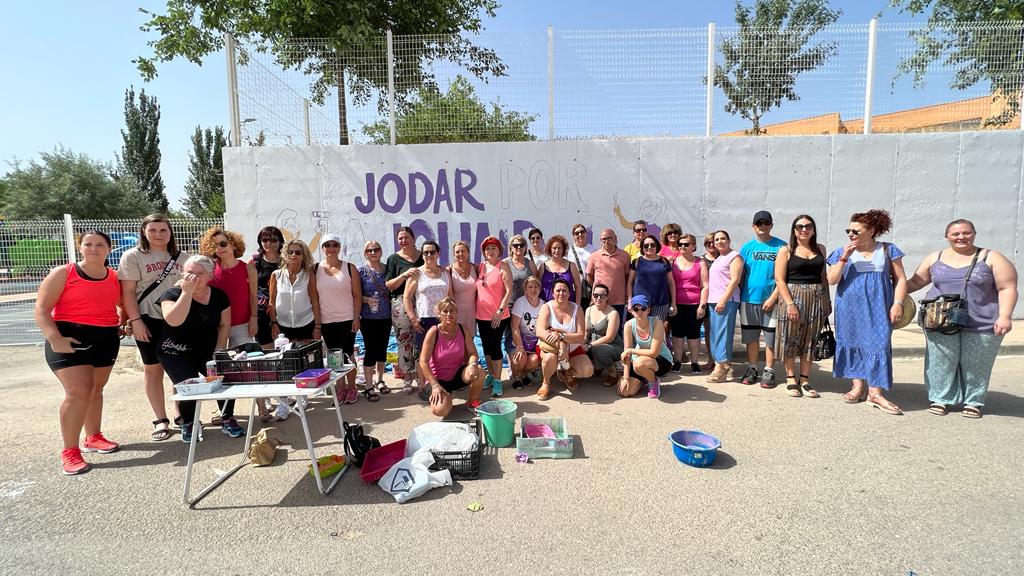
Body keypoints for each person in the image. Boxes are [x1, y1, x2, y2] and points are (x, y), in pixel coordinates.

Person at [906, 219, 1018, 418]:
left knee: (976, 364)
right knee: (940, 362)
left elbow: (1007, 288)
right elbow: (916, 281)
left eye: (966, 233)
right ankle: (940, 398)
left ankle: (973, 401)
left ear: (974, 234)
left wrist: (1005, 316)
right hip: (940, 320)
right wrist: (891, 293)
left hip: (982, 321)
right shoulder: (935, 257)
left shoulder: (991, 257)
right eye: (956, 234)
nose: (961, 237)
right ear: (947, 236)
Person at [36, 231, 123, 475]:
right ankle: (70, 451)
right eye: (88, 244)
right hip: (69, 338)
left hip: (106, 338)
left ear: (109, 249)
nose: (94, 248)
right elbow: (42, 309)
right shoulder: (64, 273)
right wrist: (55, 338)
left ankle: (93, 437)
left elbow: (122, 304)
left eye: (100, 245)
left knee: (96, 389)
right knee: (79, 392)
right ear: (80, 247)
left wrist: (124, 322)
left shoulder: (114, 276)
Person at [826, 209, 907, 415]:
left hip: (879, 307)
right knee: (853, 342)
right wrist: (844, 257)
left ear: (872, 231)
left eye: (856, 231)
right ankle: (858, 387)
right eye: (849, 230)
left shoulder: (888, 250)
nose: (851, 234)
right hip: (849, 308)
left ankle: (875, 393)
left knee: (878, 345)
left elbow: (901, 279)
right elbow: (832, 279)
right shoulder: (841, 251)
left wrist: (898, 303)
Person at [118, 214, 188, 441]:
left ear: (170, 233)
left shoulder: (182, 257)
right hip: (148, 319)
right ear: (144, 233)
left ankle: (181, 412)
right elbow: (128, 293)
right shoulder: (133, 257)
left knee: (180, 370)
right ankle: (161, 419)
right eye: (153, 230)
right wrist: (135, 321)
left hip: (178, 320)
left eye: (163, 230)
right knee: (153, 369)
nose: (158, 235)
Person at [157, 255, 233, 442]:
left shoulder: (219, 295)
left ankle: (227, 418)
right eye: (190, 273)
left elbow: (224, 325)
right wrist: (186, 293)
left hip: (207, 349)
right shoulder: (171, 294)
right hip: (175, 350)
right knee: (187, 385)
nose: (194, 277)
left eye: (200, 273)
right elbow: (174, 320)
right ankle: (189, 422)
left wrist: (219, 350)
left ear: (209, 276)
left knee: (226, 377)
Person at [201, 227, 266, 422]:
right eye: (215, 245)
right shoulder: (210, 269)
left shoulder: (247, 268)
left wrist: (254, 317)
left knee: (250, 367)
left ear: (232, 244)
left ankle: (262, 407)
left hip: (242, 324)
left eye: (223, 243)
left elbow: (254, 296)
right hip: (217, 327)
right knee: (219, 369)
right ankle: (224, 410)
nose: (219, 248)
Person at [773, 215, 830, 398]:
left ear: (813, 229)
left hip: (816, 298)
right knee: (790, 337)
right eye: (799, 226)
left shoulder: (820, 249)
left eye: (808, 226)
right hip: (792, 297)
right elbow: (780, 279)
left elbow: (823, 277)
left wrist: (827, 300)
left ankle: (804, 379)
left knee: (810, 339)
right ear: (794, 230)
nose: (803, 229)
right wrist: (790, 304)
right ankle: (791, 378)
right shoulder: (786, 250)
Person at [268, 239, 322, 416]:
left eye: (298, 252)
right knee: (284, 364)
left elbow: (314, 301)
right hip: (283, 326)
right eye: (290, 252)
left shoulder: (308, 275)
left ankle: (303, 398)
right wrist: (273, 323)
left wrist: (317, 326)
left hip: (305, 322)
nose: (294, 255)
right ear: (285, 253)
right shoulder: (276, 275)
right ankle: (284, 402)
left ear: (303, 255)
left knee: (303, 362)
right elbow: (272, 302)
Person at [738, 210, 786, 388]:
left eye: (767, 223)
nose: (763, 227)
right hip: (748, 299)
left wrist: (774, 297)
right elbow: (740, 275)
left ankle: (769, 370)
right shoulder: (747, 247)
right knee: (751, 337)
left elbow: (785, 276)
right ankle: (752, 368)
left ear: (771, 225)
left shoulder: (781, 247)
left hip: (772, 300)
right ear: (753, 226)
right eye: (759, 224)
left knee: (770, 338)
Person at [420, 298, 485, 417]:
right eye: (445, 311)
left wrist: (472, 364)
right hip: (437, 380)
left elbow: (473, 353)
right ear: (439, 314)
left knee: (480, 372)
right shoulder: (433, 332)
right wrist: (434, 386)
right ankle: (445, 398)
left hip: (456, 375)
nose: (449, 314)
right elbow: (423, 362)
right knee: (441, 410)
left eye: (452, 311)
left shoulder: (463, 329)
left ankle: (472, 402)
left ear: (457, 312)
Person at [317, 234, 362, 404]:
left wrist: (356, 317)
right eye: (327, 245)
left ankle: (352, 387)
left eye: (334, 244)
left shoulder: (350, 268)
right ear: (322, 248)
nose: (331, 248)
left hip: (347, 319)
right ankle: (340, 388)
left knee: (348, 355)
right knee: (334, 357)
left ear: (339, 247)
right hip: (326, 321)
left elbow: (357, 295)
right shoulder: (315, 269)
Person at [405, 240, 451, 400]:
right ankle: (422, 387)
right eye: (426, 252)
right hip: (424, 321)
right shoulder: (417, 273)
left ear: (438, 253)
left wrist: (451, 318)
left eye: (432, 252)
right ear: (422, 254)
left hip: (443, 320)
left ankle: (440, 384)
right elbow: (407, 297)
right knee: (423, 356)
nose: (429, 255)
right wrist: (412, 318)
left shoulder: (445, 273)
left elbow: (450, 297)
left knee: (441, 354)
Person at [535, 278, 594, 400]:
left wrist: (562, 337)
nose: (561, 293)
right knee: (550, 357)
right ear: (552, 293)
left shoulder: (578, 309)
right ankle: (546, 383)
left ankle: (566, 371)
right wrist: (561, 345)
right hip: (550, 346)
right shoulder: (546, 307)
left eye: (564, 290)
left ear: (569, 293)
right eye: (558, 290)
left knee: (587, 370)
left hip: (572, 347)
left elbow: (580, 336)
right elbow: (540, 332)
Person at [384, 226, 423, 394]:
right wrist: (404, 275)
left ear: (413, 239)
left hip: (421, 300)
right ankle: (407, 377)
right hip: (400, 303)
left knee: (422, 338)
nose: (403, 240)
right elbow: (389, 285)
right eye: (400, 238)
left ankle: (421, 375)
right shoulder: (393, 259)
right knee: (404, 339)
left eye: (406, 237)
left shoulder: (424, 255)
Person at [475, 236, 513, 397]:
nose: (490, 251)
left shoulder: (503, 266)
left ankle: (498, 381)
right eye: (487, 249)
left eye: (493, 248)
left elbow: (509, 291)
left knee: (496, 347)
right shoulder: (481, 266)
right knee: (487, 349)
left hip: (498, 316)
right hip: (481, 316)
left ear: (499, 251)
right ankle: (491, 376)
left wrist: (499, 311)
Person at [706, 230, 743, 383]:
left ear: (729, 240)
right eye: (717, 240)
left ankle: (719, 367)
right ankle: (726, 364)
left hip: (726, 301)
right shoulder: (719, 258)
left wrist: (723, 300)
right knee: (715, 334)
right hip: (714, 301)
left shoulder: (735, 257)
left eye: (723, 239)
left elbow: (734, 281)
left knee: (722, 334)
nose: (720, 242)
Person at [620, 295, 673, 398]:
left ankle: (653, 381)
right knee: (625, 392)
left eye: (643, 308)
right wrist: (626, 377)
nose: (639, 312)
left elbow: (654, 353)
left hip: (661, 360)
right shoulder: (629, 325)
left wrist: (631, 350)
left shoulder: (657, 323)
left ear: (648, 310)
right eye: (636, 309)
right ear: (632, 311)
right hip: (640, 360)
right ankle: (644, 378)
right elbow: (626, 354)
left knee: (639, 364)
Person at [358, 240, 392, 397]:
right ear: (365, 253)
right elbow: (355, 294)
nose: (373, 252)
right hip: (368, 317)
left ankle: (380, 380)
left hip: (386, 316)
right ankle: (369, 385)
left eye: (376, 249)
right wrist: (367, 300)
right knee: (370, 350)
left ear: (381, 251)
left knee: (382, 349)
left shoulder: (388, 269)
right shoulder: (361, 272)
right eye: (369, 250)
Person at [671, 233, 709, 374]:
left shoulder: (700, 263)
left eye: (686, 244)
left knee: (693, 334)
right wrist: (672, 304)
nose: (682, 246)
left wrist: (702, 305)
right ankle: (677, 362)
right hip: (676, 304)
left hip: (694, 304)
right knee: (677, 334)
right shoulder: (672, 262)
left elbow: (705, 286)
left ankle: (694, 363)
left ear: (693, 246)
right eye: (680, 244)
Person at [586, 228, 631, 323]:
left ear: (615, 238)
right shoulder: (594, 256)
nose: (606, 241)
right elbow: (589, 277)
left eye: (609, 238)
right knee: (599, 328)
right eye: (604, 239)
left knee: (617, 329)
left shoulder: (625, 256)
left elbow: (627, 276)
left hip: (618, 300)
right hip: (599, 300)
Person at [627, 235, 676, 321]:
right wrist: (630, 300)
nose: (649, 247)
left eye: (652, 245)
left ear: (657, 246)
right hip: (640, 304)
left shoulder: (664, 261)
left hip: (660, 303)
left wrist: (673, 303)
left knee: (657, 330)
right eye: (646, 245)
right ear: (642, 248)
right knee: (641, 331)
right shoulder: (636, 262)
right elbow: (630, 282)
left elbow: (671, 283)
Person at [250, 226, 284, 348]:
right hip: (262, 312)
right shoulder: (255, 261)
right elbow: (251, 290)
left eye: (273, 240)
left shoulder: (286, 261)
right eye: (265, 240)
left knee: (286, 348)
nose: (269, 244)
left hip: (284, 310)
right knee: (267, 350)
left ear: (280, 242)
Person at [503, 234, 537, 356]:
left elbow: (536, 284)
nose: (518, 247)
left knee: (527, 336)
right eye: (515, 245)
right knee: (510, 339)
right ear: (511, 248)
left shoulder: (530, 264)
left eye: (521, 245)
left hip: (527, 307)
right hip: (510, 307)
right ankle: (514, 368)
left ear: (525, 247)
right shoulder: (505, 264)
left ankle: (528, 368)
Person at [584, 283, 624, 386]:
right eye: (595, 295)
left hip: (612, 345)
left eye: (602, 295)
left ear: (608, 297)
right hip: (592, 343)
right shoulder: (588, 310)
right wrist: (582, 344)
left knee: (598, 350)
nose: (598, 298)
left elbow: (609, 337)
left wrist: (589, 345)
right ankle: (598, 367)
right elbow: (586, 331)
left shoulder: (612, 313)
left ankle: (613, 373)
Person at [509, 276, 545, 390]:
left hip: (535, 341)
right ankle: (516, 377)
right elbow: (514, 326)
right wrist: (519, 346)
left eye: (535, 287)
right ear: (525, 290)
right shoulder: (520, 302)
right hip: (520, 338)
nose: (533, 290)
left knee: (534, 360)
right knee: (520, 358)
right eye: (530, 287)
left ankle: (523, 373)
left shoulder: (544, 305)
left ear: (540, 289)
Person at [537, 234, 581, 305]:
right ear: (550, 249)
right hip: (546, 307)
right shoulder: (543, 267)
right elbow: (538, 287)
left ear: (563, 249)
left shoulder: (571, 266)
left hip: (568, 307)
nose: (557, 250)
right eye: (554, 248)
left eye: (559, 248)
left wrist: (577, 306)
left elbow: (578, 287)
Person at [448, 240, 478, 337]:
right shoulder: (449, 270)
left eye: (463, 251)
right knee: (457, 342)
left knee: (470, 342)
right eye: (457, 252)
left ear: (468, 253)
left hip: (471, 315)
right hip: (455, 314)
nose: (460, 254)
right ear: (453, 254)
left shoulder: (475, 268)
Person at [699, 233, 719, 370]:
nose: (711, 245)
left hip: (720, 299)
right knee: (708, 331)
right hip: (706, 298)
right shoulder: (700, 260)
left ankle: (721, 360)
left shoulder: (725, 257)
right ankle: (711, 358)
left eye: (713, 242)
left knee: (720, 331)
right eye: (708, 243)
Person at [569, 223, 593, 308]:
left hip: (588, 290)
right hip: (573, 289)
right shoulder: (568, 251)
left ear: (586, 234)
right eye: (576, 233)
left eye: (582, 232)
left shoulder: (594, 250)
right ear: (573, 236)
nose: (580, 234)